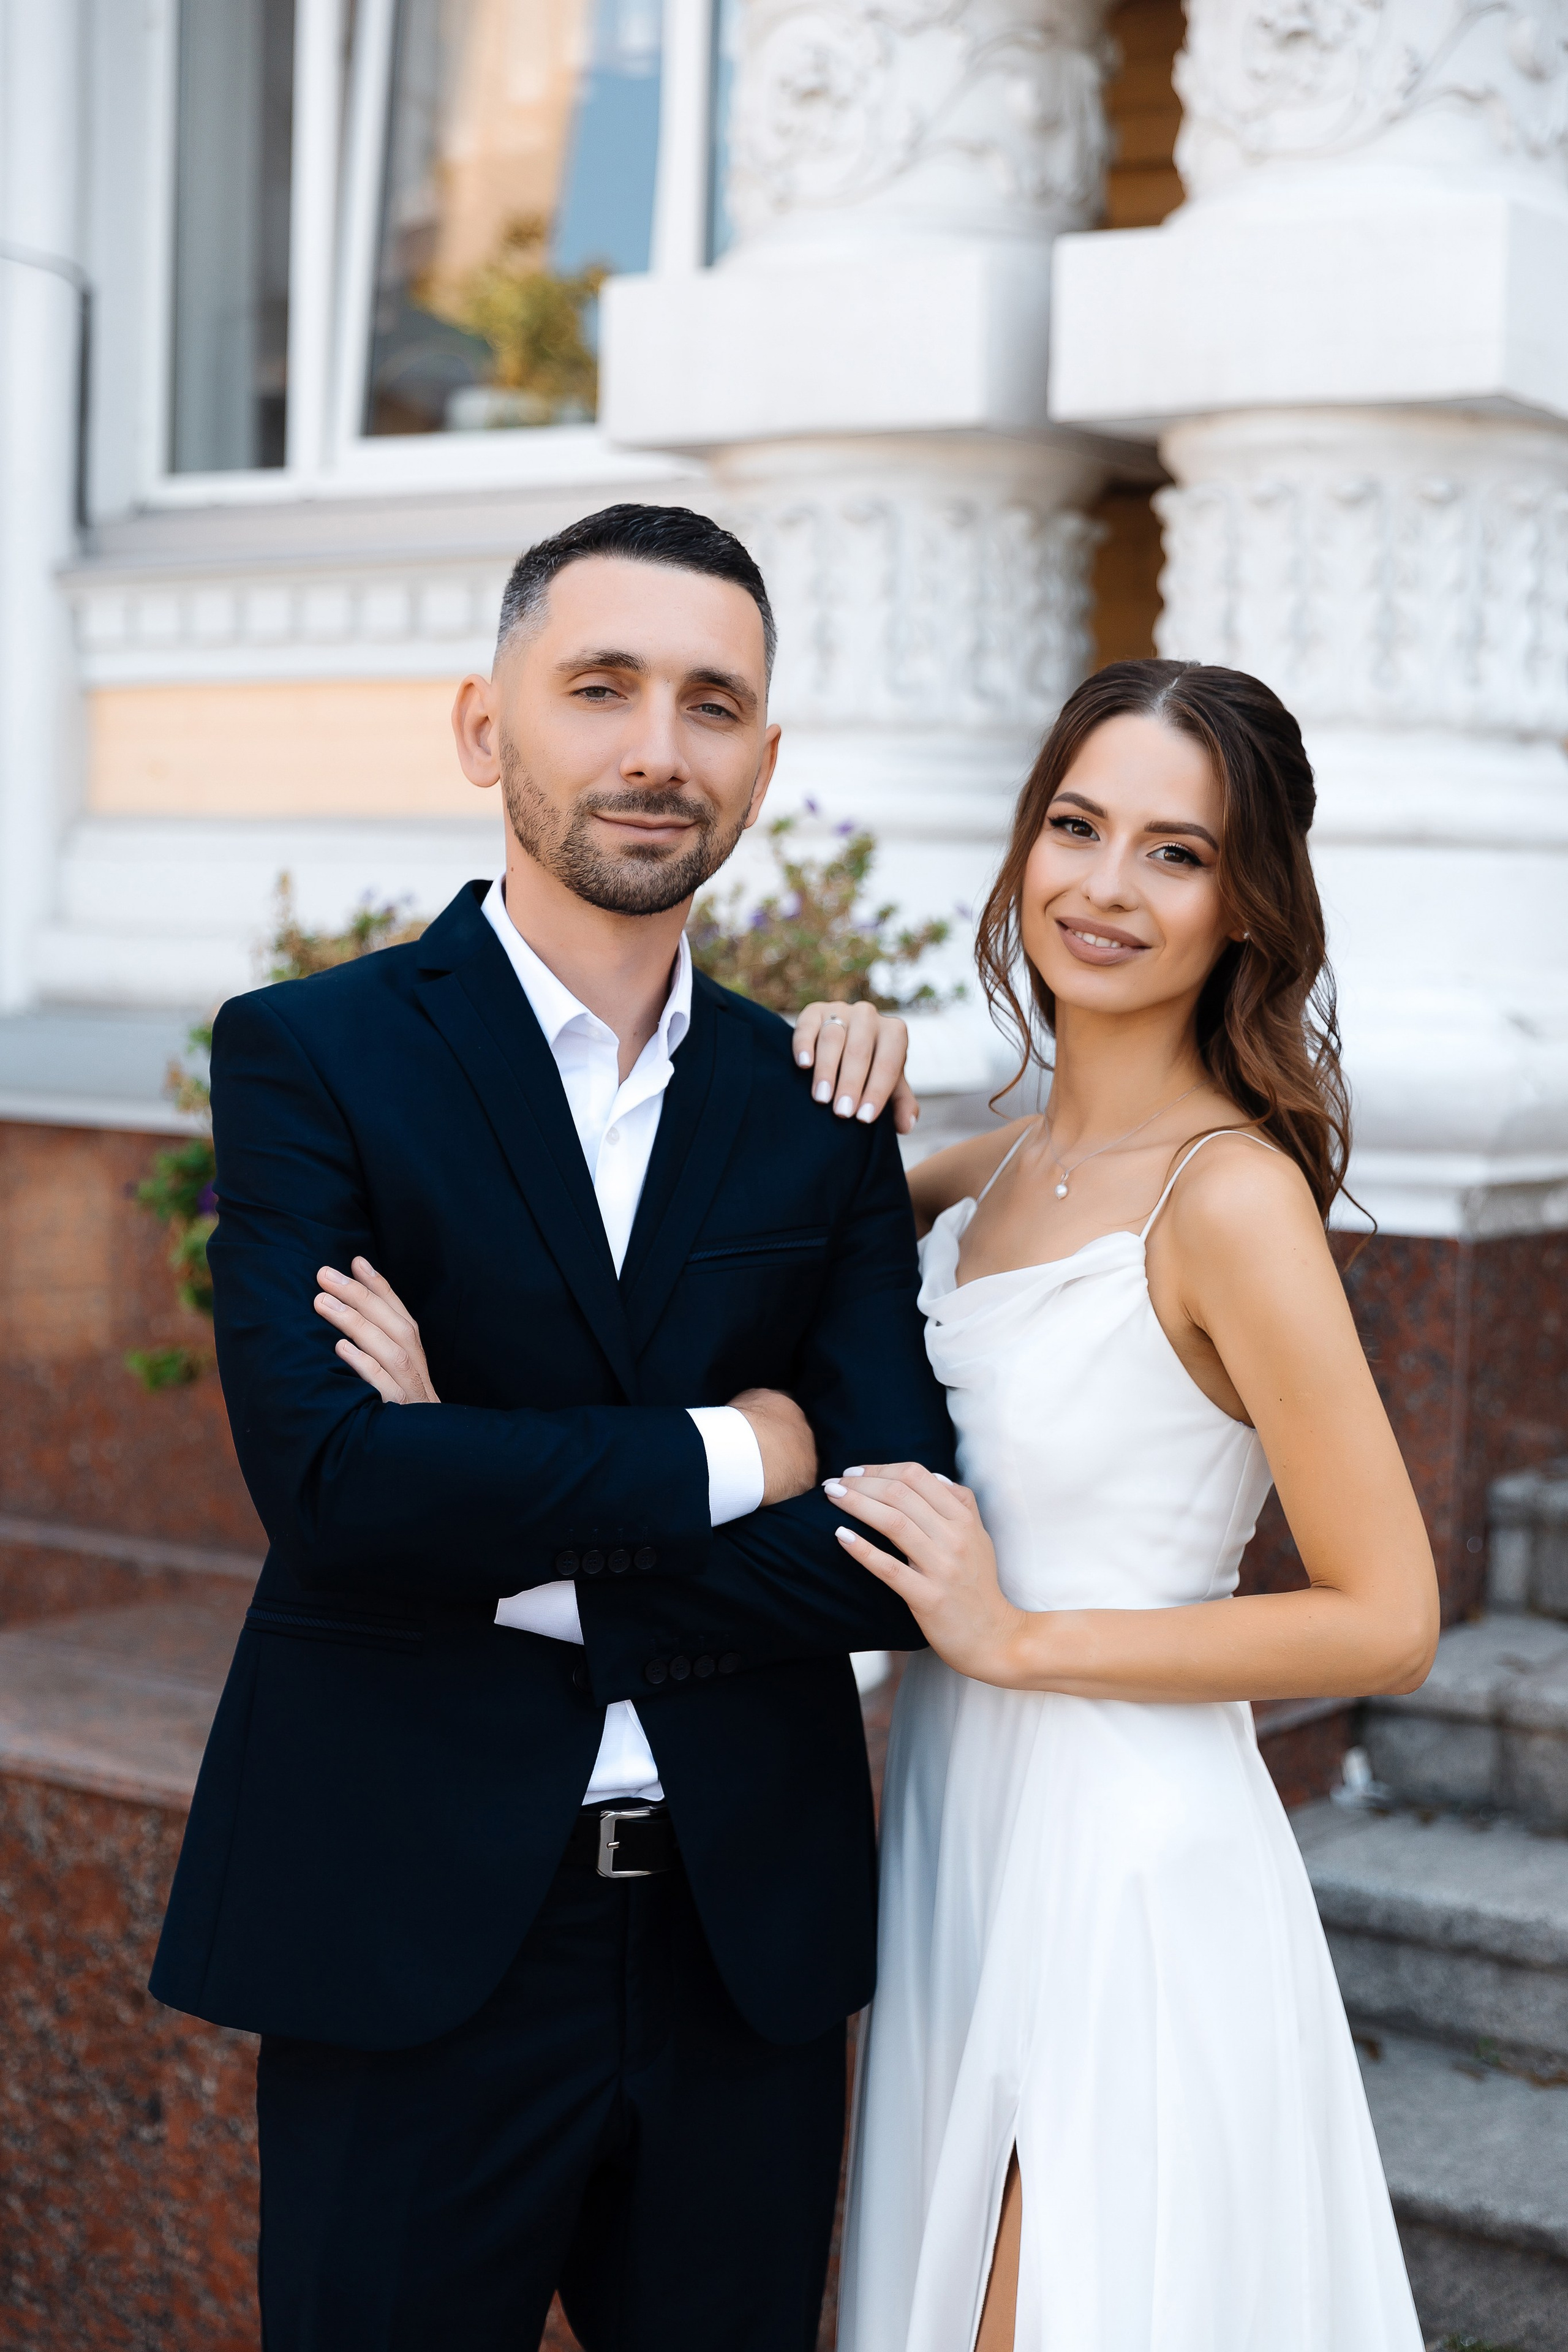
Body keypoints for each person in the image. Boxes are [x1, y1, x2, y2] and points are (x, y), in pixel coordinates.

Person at [148, 503, 954, 2352]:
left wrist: (493, 1521)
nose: (658, 747)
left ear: (763, 760)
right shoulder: (313, 1055)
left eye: (711, 703)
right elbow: (336, 1487)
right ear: (482, 725)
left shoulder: (819, 1104)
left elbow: (897, 1543)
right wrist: (747, 1451)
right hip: (408, 1929)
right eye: (601, 687)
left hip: (740, 1950)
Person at [812, 660, 1439, 2350]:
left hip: (1126, 1863)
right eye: (1077, 827)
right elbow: (742, 1323)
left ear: (1247, 906)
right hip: (953, 1828)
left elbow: (1389, 1618)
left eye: (1176, 852)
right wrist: (836, 1055)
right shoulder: (980, 1173)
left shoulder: (1230, 1200)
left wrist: (1017, 1637)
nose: (1105, 886)